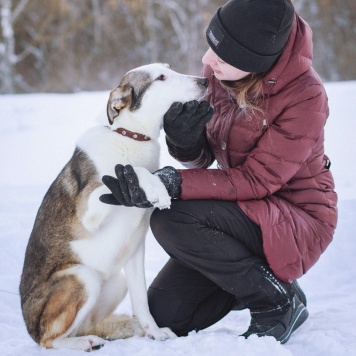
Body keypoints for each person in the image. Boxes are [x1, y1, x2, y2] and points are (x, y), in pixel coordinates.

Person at [100, 0, 337, 344]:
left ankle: (276, 301)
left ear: (256, 62)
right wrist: (185, 142)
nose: (207, 62)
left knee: (172, 216)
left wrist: (169, 182)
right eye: (211, 47)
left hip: (297, 218)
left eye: (222, 57)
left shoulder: (305, 96)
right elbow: (203, 162)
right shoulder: (223, 73)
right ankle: (257, 278)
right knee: (165, 314)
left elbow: (257, 179)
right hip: (242, 213)